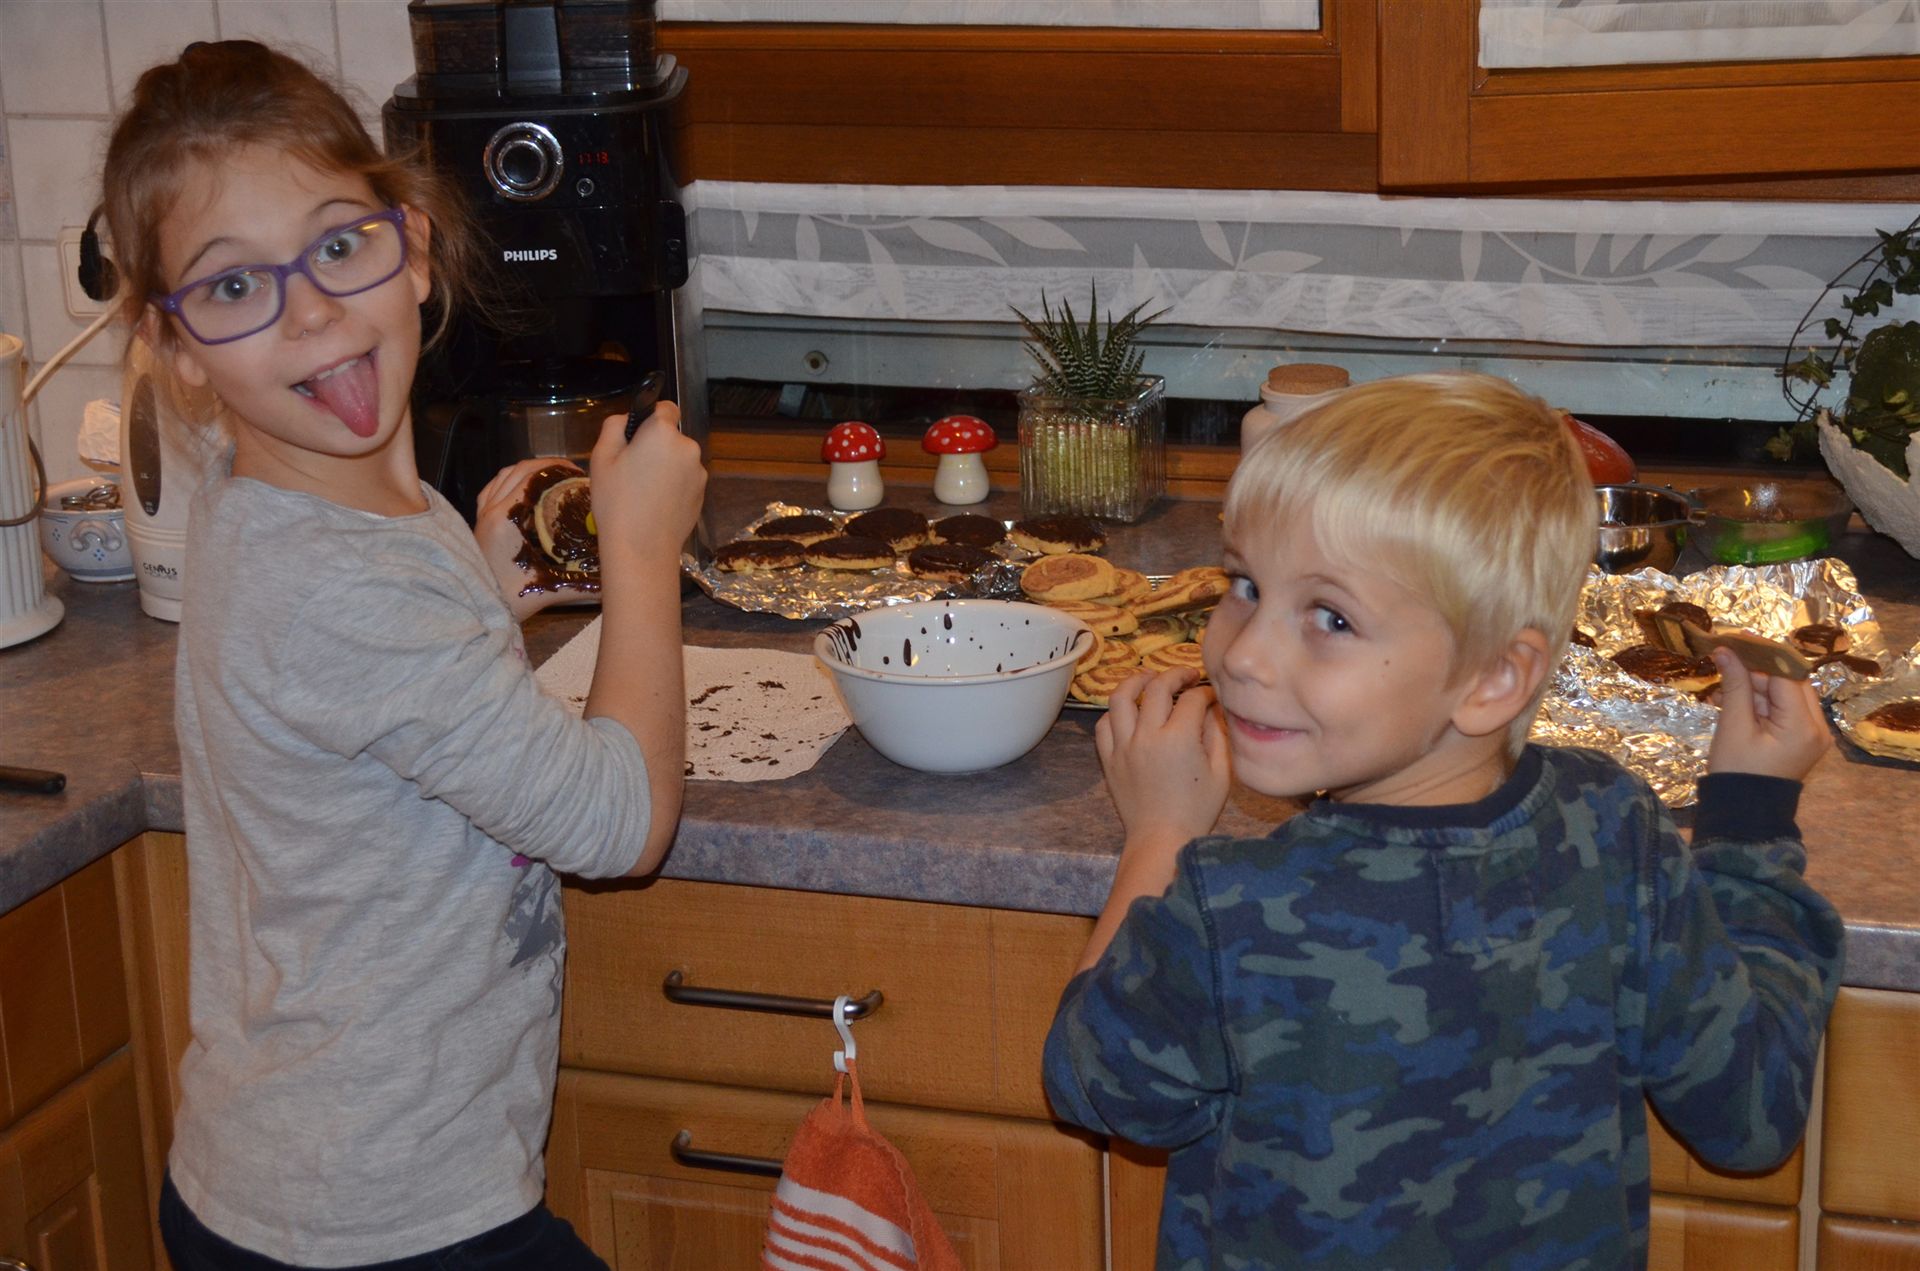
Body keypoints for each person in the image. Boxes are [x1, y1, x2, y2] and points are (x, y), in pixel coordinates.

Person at [101, 41, 704, 1269]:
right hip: (375, 1217)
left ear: (412, 246)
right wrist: (642, 553)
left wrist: (484, 590)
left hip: (295, 1177)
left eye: (337, 246)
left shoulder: (299, 496)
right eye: (233, 286)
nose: (310, 312)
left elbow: (369, 690)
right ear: (177, 348)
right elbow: (620, 822)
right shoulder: (336, 580)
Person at [1042, 372, 1845, 1270]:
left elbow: (1090, 1083)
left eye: (1330, 616)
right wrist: (1751, 817)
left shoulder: (1234, 907)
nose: (1244, 654)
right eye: (1245, 583)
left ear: (1494, 678)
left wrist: (1159, 833)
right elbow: (1750, 1116)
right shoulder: (1615, 832)